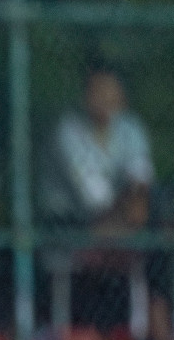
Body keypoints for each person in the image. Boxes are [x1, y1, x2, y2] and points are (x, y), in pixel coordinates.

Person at [45, 65, 154, 229]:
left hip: (121, 219)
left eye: (110, 91)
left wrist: (134, 203)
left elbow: (141, 179)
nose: (104, 98)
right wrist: (127, 205)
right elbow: (93, 197)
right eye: (98, 91)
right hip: (68, 223)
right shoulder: (68, 129)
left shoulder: (130, 127)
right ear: (85, 96)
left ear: (122, 97)